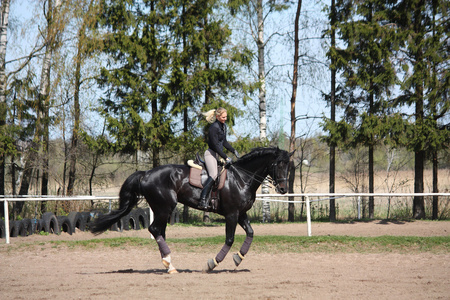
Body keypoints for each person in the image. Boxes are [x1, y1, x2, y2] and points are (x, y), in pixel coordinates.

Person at [198, 107, 239, 209]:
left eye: (226, 117)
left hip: (217, 155)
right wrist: (225, 157)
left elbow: (224, 142)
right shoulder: (213, 127)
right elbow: (215, 146)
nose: (225, 119)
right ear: (217, 116)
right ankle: (202, 199)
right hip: (210, 154)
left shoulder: (223, 126)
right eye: (223, 117)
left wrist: (234, 151)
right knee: (214, 174)